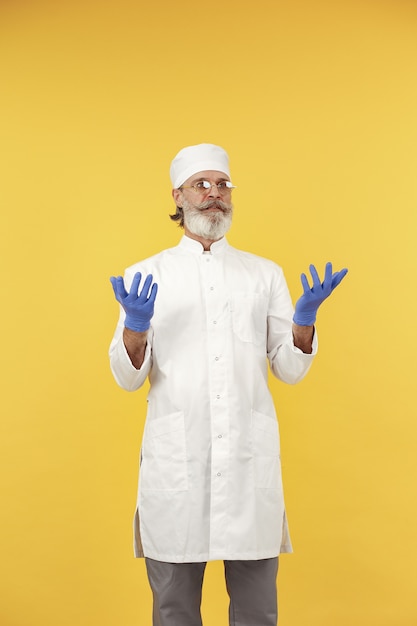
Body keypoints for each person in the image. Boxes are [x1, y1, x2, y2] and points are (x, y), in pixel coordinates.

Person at [109, 143, 347, 626]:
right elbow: (127, 377)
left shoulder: (263, 274)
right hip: (179, 460)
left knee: (258, 609)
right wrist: (135, 327)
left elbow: (290, 368)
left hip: (246, 459)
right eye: (202, 185)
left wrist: (303, 322)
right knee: (174, 608)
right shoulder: (146, 275)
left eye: (222, 185)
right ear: (178, 196)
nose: (214, 195)